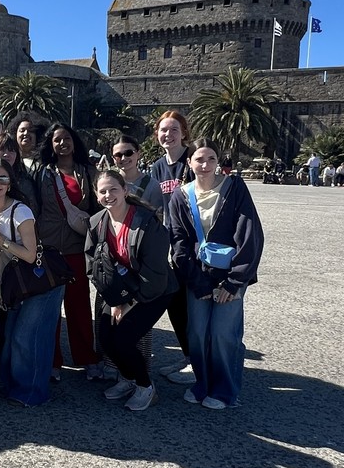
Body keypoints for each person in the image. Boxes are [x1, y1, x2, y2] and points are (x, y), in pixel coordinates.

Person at [169, 139, 264, 410]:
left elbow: (249, 234)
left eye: (211, 159)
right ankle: (202, 384)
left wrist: (234, 283)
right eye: (199, 159)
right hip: (198, 276)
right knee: (197, 333)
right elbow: (178, 242)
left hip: (230, 276)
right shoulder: (181, 195)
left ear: (218, 162)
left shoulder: (235, 188)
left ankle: (225, 391)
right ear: (189, 163)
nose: (205, 165)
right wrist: (197, 284)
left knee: (224, 334)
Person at [85, 169, 177, 411]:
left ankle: (146, 387)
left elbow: (155, 273)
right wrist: (115, 299)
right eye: (102, 191)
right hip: (118, 290)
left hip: (154, 290)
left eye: (114, 189)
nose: (108, 195)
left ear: (125, 190)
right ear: (96, 196)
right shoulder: (96, 222)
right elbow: (92, 265)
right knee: (105, 337)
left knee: (124, 338)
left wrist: (128, 303)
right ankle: (128, 378)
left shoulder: (146, 222)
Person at [0, 159, 63, 406]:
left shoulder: (20, 210)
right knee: (12, 335)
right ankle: (13, 386)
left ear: (10, 183)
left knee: (28, 337)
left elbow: (30, 254)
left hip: (40, 285)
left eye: (2, 179)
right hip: (17, 285)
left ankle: (32, 392)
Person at [35, 122, 102, 379]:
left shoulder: (87, 171)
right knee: (50, 308)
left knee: (79, 306)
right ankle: (53, 361)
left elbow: (98, 208)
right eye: (57, 140)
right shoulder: (43, 173)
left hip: (77, 246)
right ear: (50, 145)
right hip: (50, 247)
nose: (62, 143)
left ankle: (87, 358)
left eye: (66, 139)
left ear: (74, 142)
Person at [149, 110, 195, 386]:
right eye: (163, 130)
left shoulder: (193, 160)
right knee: (175, 303)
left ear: (184, 133)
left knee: (193, 304)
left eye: (173, 129)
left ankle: (200, 361)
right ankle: (189, 355)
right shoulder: (157, 166)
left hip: (190, 243)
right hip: (168, 243)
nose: (168, 134)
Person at [110, 136, 164, 215]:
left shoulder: (152, 185)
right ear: (113, 159)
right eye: (118, 155)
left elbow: (159, 217)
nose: (123, 158)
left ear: (138, 154)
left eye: (128, 153)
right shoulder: (109, 184)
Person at [0, 133, 37, 210]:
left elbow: (33, 210)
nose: (6, 154)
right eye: (1, 149)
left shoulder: (24, 182)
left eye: (11, 150)